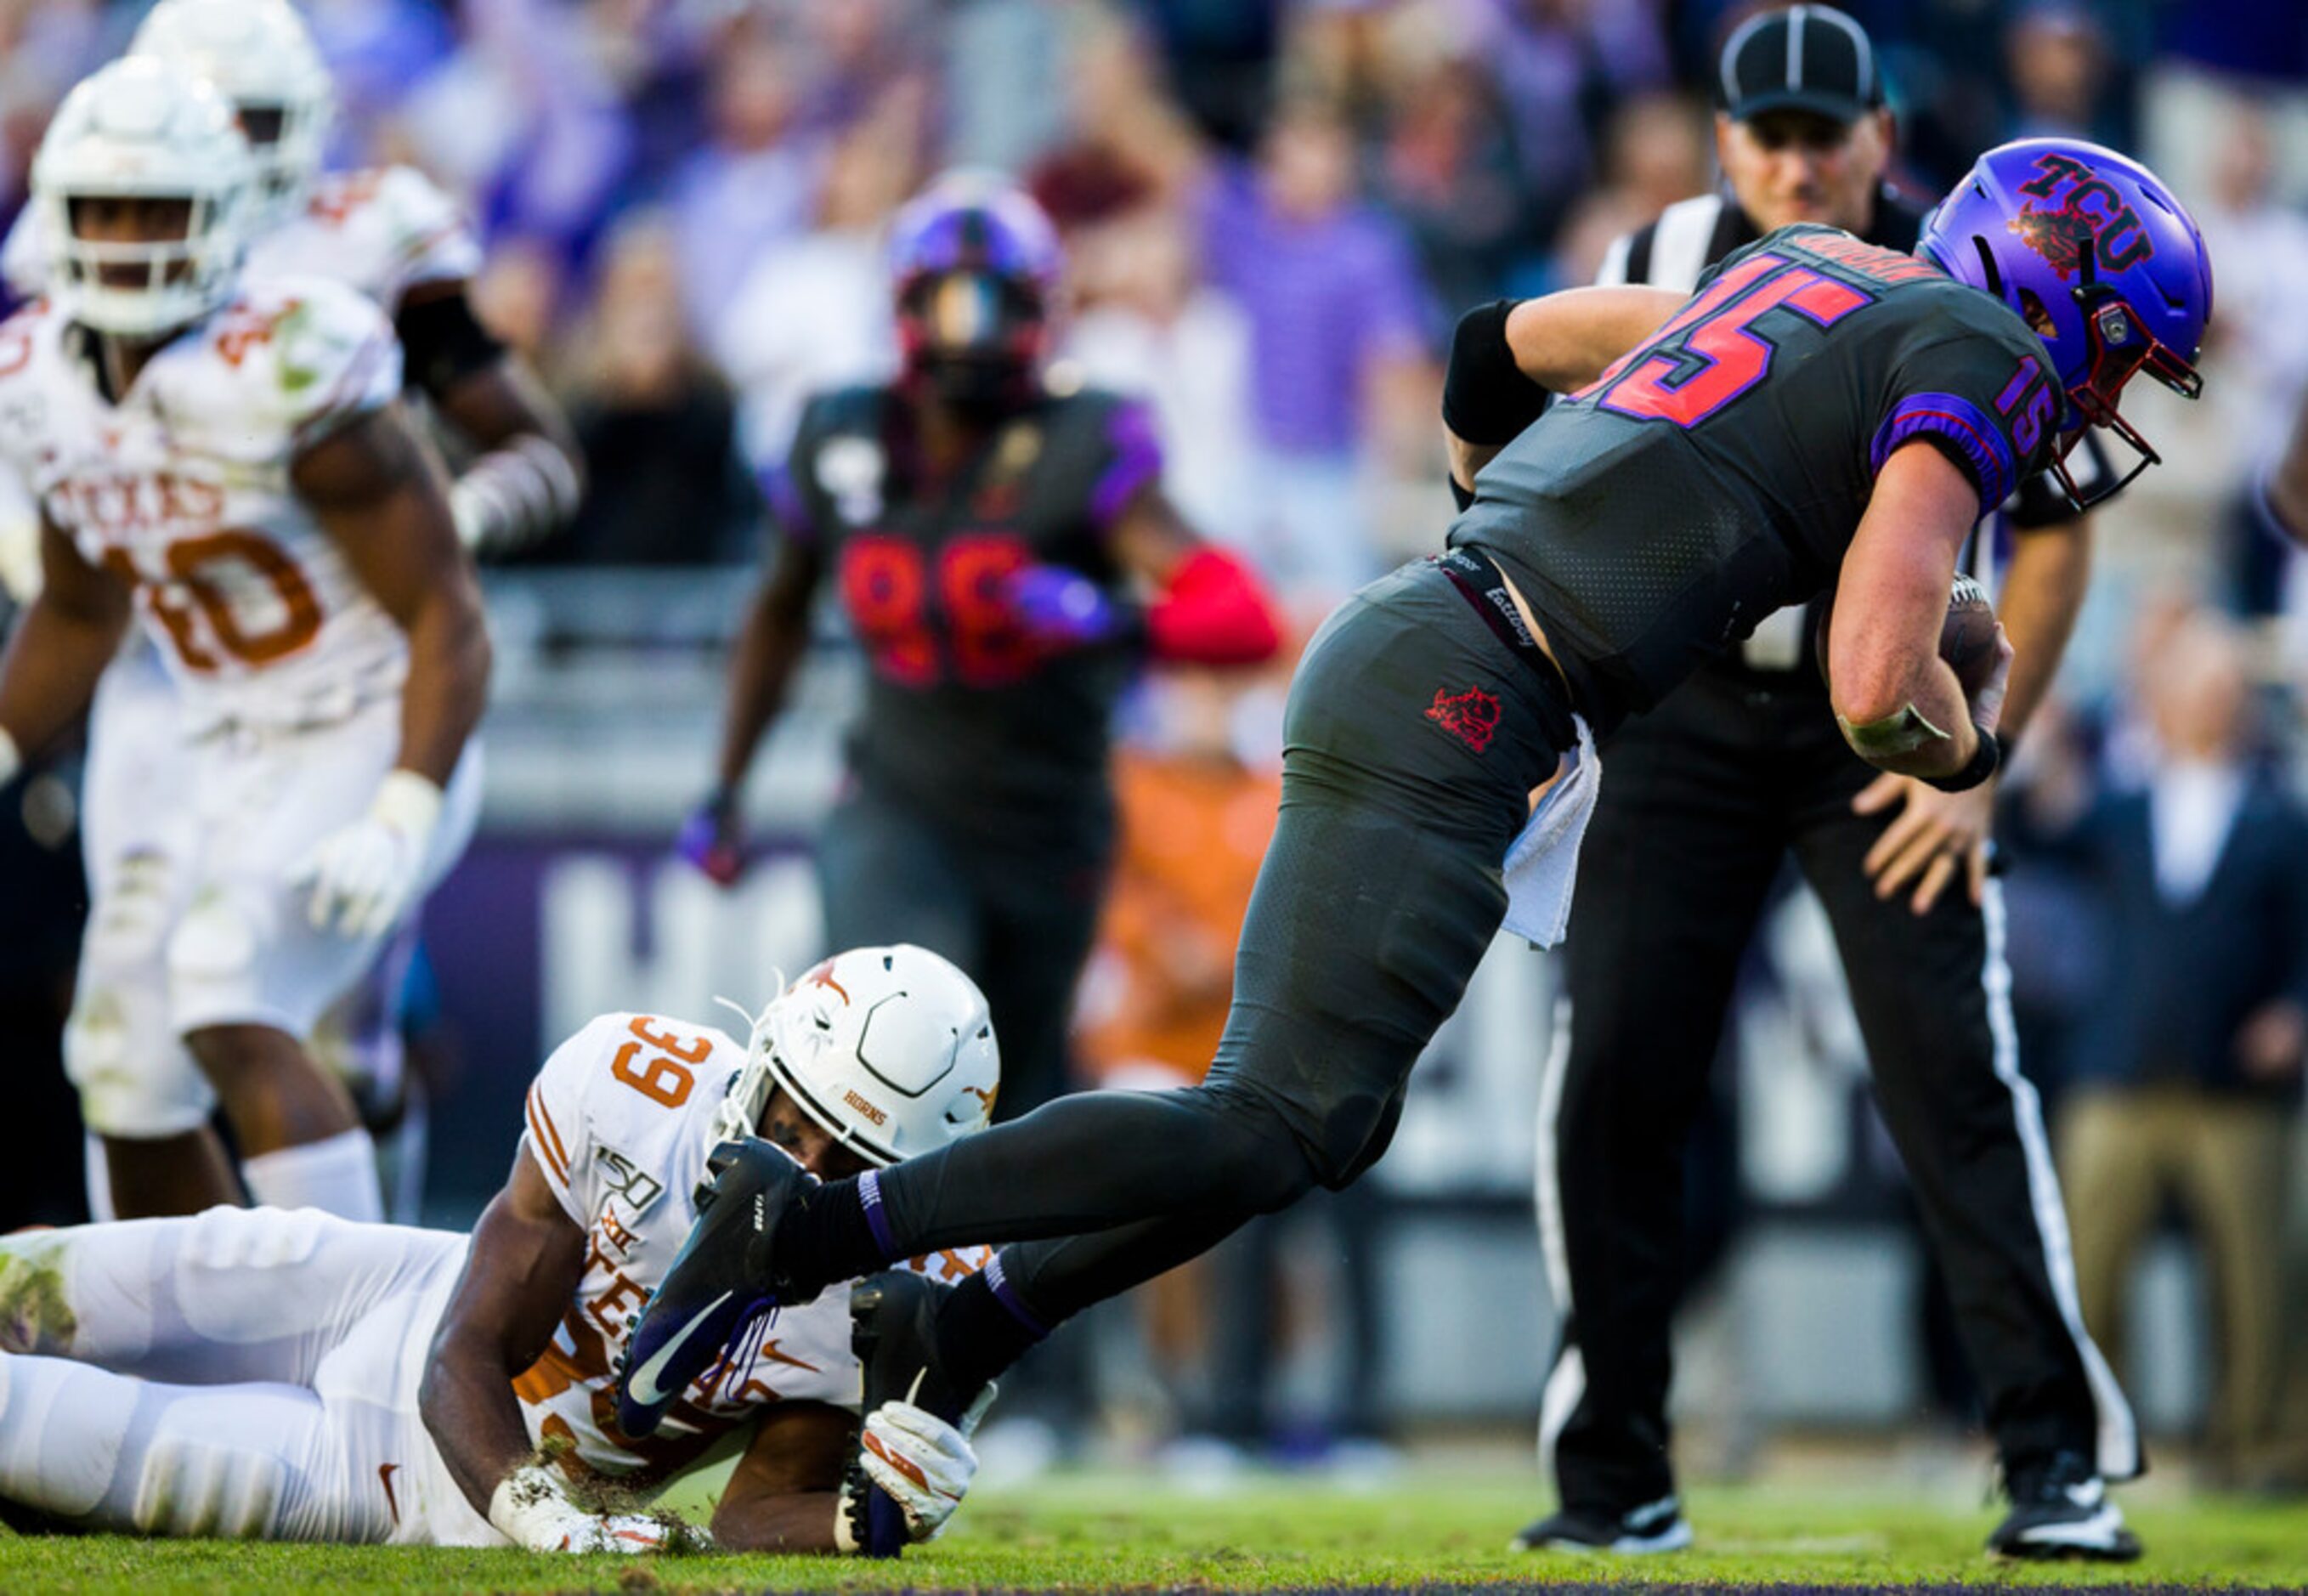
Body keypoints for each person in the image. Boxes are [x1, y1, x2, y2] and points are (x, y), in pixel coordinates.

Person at [619, 139, 2212, 1564]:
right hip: (1467, 686)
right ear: (2048, 286)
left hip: (1442, 646)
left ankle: (956, 1323)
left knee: (1321, 1121)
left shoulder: (1807, 270)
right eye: (2124, 356)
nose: (2109, 401)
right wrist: (1974, 724)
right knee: (1271, 1118)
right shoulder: (1980, 346)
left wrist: (1489, 521)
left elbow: (1494, 348)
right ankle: (818, 1230)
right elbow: (1871, 697)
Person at [1519, 5, 2134, 1560]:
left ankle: (2053, 1459)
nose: (1797, 161)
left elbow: (2058, 526)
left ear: (1877, 137)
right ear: (1725, 144)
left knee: (1951, 1074)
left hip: (1893, 714)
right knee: (1616, 1078)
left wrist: (1982, 766)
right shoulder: (1653, 253)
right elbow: (1541, 452)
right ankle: (1612, 1472)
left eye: (1823, 132)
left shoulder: (1967, 257)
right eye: (1769, 135)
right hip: (1682, 707)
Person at [2, 0, 581, 1225]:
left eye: (155, 206)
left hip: (361, 708)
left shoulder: (305, 346)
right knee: (122, 1048)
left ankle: (364, 1332)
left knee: (241, 992)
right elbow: (78, 605)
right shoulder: (43, 373)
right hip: (201, 712)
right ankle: (182, 1347)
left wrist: (403, 800)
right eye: (101, 208)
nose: (123, 240)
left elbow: (445, 601)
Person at [0, 945, 1003, 1554]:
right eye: (794, 1122)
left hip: (394, 1481)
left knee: (19, 1426)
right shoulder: (636, 1088)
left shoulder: (890, 1295)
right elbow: (461, 1354)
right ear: (768, 1053)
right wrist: (538, 1511)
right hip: (383, 1296)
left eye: (853, 1160)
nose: (805, 1166)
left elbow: (749, 1518)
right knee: (31, 1289)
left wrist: (861, 1518)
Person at [681, 174, 1281, 1140]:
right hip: (896, 804)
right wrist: (726, 783)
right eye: (955, 300)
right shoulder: (841, 429)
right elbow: (778, 612)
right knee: (888, 1048)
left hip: (1047, 828)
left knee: (1014, 1107)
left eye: (998, 302)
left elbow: (1241, 615)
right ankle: (826, 1276)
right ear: (906, 306)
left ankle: (980, 1294)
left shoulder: (1081, 436)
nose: (974, 329)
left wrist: (1112, 622)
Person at [2049, 610, 2305, 1485]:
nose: (2207, 704)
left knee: (2257, 1283)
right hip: (2118, 1072)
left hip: (2236, 1085)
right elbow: (2034, 826)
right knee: (2087, 1267)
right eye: (2192, 687)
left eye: (2223, 690)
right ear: (2156, 701)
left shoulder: (2282, 816)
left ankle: (2261, 1448)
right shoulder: (2114, 806)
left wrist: (2295, 1013)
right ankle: (2097, 1442)